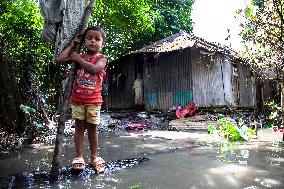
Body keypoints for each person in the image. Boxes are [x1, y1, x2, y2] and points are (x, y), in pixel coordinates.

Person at [58, 26, 107, 173]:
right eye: (89, 38)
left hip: (94, 101)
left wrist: (78, 58)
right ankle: (79, 156)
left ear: (102, 44)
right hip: (77, 100)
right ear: (84, 41)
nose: (93, 41)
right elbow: (60, 59)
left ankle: (94, 156)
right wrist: (73, 45)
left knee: (92, 129)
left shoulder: (101, 58)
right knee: (79, 128)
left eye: (97, 39)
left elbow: (93, 69)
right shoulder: (77, 56)